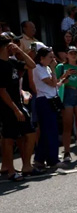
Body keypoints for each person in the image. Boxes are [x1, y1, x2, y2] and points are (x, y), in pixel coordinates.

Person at [0, 33, 36, 181]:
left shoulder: (13, 62)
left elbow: (32, 65)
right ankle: (10, 171)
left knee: (30, 133)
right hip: (7, 108)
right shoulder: (0, 65)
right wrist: (15, 109)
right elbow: (1, 91)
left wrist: (20, 52)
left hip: (19, 105)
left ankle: (27, 166)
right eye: (11, 46)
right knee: (8, 139)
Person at [56, 46, 77, 161]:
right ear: (66, 54)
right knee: (67, 126)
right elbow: (56, 83)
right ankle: (67, 153)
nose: (73, 55)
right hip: (67, 95)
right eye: (71, 53)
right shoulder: (61, 67)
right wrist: (65, 75)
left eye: (75, 53)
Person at [32, 46, 64, 169]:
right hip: (43, 101)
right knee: (49, 131)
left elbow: (55, 84)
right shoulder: (38, 68)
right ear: (42, 58)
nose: (53, 59)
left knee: (50, 131)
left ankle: (41, 158)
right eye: (50, 57)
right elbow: (51, 83)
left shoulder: (46, 68)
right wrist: (53, 69)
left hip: (50, 100)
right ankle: (51, 159)